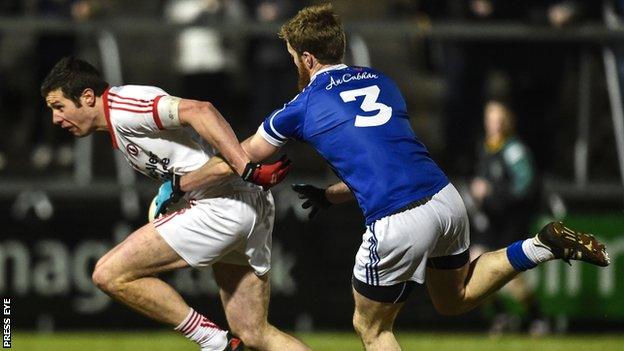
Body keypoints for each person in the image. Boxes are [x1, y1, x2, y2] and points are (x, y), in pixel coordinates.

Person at [193, 4, 610, 350]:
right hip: (445, 199)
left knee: (372, 328)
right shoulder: (382, 81)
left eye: (291, 56)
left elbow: (240, 155)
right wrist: (332, 195)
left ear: (306, 58)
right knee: (455, 297)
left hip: (397, 219)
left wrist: (186, 182)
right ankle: (540, 246)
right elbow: (384, 160)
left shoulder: (301, 105)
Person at [41, 57, 309, 351]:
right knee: (254, 333)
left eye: (59, 107)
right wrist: (177, 190)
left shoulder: (124, 107)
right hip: (248, 202)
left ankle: (213, 341)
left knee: (108, 273)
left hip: (221, 204)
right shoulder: (120, 120)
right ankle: (220, 341)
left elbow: (201, 110)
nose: (56, 119)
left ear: (87, 97)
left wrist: (245, 166)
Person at [469, 99, 546, 335]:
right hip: (491, 219)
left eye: (498, 120)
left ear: (506, 122)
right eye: (490, 120)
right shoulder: (485, 147)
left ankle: (537, 318)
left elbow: (525, 185)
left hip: (510, 220)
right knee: (473, 266)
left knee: (510, 275)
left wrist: (493, 191)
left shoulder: (513, 150)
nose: (494, 125)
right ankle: (502, 315)